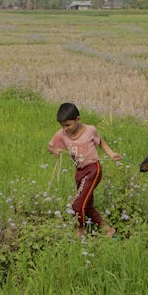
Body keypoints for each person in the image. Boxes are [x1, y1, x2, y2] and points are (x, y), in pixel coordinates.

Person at [47, 102, 121, 238]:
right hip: (79, 172)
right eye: (62, 125)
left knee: (77, 204)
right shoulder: (62, 134)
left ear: (78, 119)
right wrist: (55, 151)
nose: (65, 128)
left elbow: (101, 142)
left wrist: (111, 154)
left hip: (93, 169)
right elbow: (50, 147)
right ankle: (108, 230)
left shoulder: (90, 130)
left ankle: (80, 232)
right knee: (86, 206)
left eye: (68, 125)